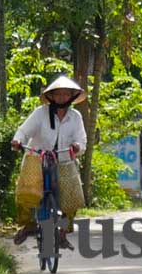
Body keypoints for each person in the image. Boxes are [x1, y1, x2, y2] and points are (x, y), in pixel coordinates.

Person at [10, 75, 87, 248]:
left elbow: (82, 140)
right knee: (26, 192)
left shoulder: (76, 117)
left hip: (64, 161)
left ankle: (62, 233)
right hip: (37, 158)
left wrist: (76, 146)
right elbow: (24, 131)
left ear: (71, 97)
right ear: (51, 96)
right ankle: (29, 226)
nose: (62, 98)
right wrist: (17, 141)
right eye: (58, 94)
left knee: (71, 197)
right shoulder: (40, 113)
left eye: (66, 94)